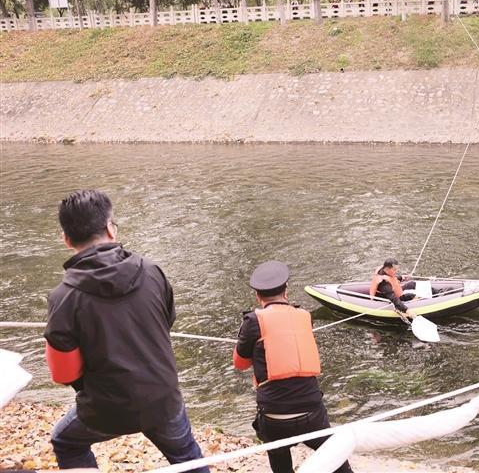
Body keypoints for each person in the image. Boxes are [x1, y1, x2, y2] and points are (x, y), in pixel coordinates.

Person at [44, 190, 208, 472]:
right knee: (188, 458)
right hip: (162, 397)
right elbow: (166, 323)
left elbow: (63, 375)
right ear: (110, 228)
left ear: (66, 239)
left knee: (66, 441)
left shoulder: (63, 298)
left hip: (106, 409)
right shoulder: (152, 271)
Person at [233, 261, 354, 473]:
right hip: (312, 414)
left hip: (274, 418)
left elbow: (240, 364)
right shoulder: (305, 316)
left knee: (279, 459)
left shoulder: (252, 321)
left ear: (258, 296)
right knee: (337, 461)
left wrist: (247, 341)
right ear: (286, 290)